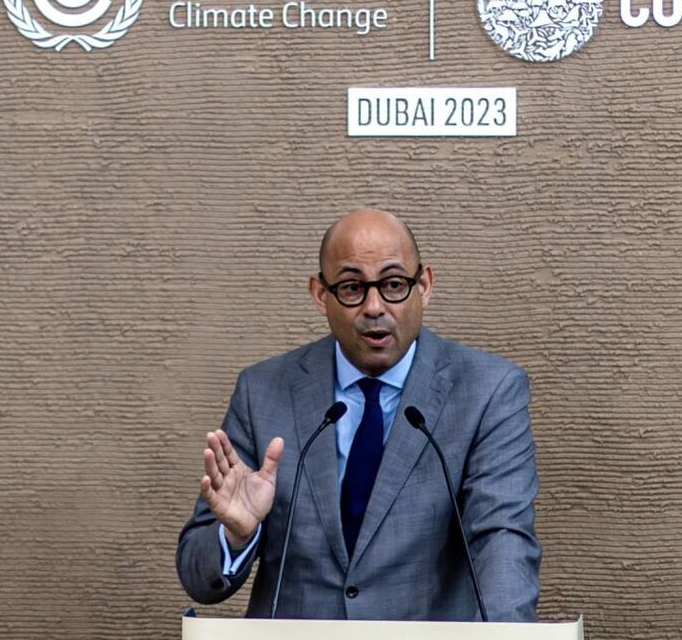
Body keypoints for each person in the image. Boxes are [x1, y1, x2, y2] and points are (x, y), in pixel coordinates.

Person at [175, 209, 540, 621]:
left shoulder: (488, 390)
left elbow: (502, 538)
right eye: (351, 287)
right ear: (320, 294)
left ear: (424, 286)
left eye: (394, 285)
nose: (373, 306)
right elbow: (198, 577)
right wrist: (236, 534)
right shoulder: (261, 392)